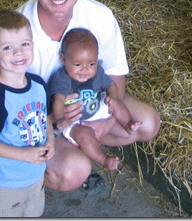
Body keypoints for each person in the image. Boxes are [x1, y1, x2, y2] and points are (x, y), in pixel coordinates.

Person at [0, 0, 161, 193]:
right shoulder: (12, 36)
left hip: (89, 105)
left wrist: (101, 126)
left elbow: (115, 81)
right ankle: (34, 175)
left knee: (148, 123)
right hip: (39, 123)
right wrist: (46, 130)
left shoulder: (100, 17)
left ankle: (80, 145)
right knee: (73, 170)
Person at [0, 9, 54, 217]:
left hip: (35, 175)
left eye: (24, 44)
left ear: (33, 46)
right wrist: (24, 155)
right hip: (6, 181)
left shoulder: (38, 85)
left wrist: (51, 140)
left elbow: (45, 117)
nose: (18, 53)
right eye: (7, 47)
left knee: (33, 212)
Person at [50, 28, 142, 171]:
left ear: (97, 58)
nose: (85, 69)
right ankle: (103, 159)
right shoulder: (62, 78)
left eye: (91, 64)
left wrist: (112, 97)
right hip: (76, 120)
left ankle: (128, 124)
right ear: (63, 59)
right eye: (78, 65)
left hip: (97, 106)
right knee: (84, 135)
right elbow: (59, 100)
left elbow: (111, 85)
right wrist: (61, 118)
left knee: (116, 103)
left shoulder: (98, 72)